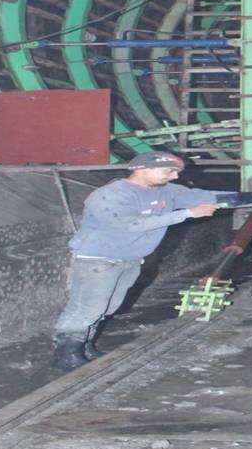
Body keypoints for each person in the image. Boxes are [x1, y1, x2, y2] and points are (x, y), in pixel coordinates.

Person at [51, 151, 221, 371]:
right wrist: (187, 213)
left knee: (107, 307)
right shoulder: (110, 195)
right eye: (169, 171)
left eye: (176, 172)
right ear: (142, 169)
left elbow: (204, 196)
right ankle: (66, 354)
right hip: (97, 260)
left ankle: (85, 346)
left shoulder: (168, 191)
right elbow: (127, 224)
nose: (175, 176)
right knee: (87, 307)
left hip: (130, 260)